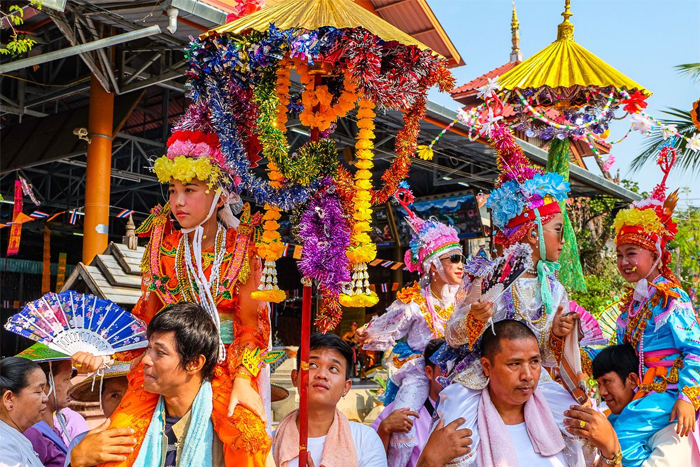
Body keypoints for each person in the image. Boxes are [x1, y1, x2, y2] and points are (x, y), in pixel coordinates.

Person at [72, 108, 273, 467]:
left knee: (248, 437)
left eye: (190, 190)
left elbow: (251, 327)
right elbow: (143, 319)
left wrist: (244, 379)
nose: (177, 201)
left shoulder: (242, 249)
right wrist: (105, 356)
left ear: (221, 195)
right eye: (173, 189)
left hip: (225, 365)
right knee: (117, 441)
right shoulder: (162, 246)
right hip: (164, 365)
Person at [432, 124, 583, 465]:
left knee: (579, 424)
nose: (563, 241)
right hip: (485, 377)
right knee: (456, 437)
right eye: (558, 230)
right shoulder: (489, 276)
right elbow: (453, 336)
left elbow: (544, 355)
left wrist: (558, 336)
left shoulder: (554, 287)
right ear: (532, 234)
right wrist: (474, 319)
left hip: (531, 380)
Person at [355, 185, 465, 467]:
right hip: (421, 372)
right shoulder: (413, 302)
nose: (460, 264)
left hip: (461, 369)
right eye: (453, 258)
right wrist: (367, 333)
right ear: (431, 266)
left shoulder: (465, 298)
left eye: (461, 257)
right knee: (405, 423)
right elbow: (387, 327)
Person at [421, 320, 621, 467]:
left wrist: (610, 451)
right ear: (487, 367)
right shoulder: (462, 429)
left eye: (534, 362)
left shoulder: (562, 418)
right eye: (514, 364)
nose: (527, 375)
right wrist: (431, 460)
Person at [610, 145, 700, 467]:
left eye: (632, 253)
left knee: (615, 437)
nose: (624, 262)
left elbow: (695, 349)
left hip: (666, 393)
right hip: (641, 394)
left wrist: (688, 398)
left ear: (655, 255)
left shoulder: (672, 298)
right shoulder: (632, 304)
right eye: (620, 255)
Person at [68, 302, 225, 467]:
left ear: (194, 363)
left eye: (160, 352)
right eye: (148, 349)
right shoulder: (128, 427)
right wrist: (77, 461)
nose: (146, 360)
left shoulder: (224, 433)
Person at [272, 332, 387, 467]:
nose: (322, 375)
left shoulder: (365, 440)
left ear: (346, 387)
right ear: (295, 378)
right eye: (313, 365)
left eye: (333, 368)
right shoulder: (268, 442)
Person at [592, 344, 699, 466]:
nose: (602, 392)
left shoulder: (675, 430)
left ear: (632, 380)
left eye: (606, 381)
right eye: (599, 384)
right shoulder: (612, 422)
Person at [371, 338, 445, 467]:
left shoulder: (472, 408)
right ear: (429, 372)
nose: (454, 374)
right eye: (445, 368)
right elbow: (369, 457)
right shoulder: (401, 410)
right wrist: (384, 428)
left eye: (458, 366)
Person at [19, 343, 88, 467]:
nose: (71, 386)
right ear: (42, 385)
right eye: (66, 379)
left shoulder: (53, 429)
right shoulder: (33, 435)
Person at [0, 356, 49, 467]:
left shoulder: (14, 437)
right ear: (8, 399)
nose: (45, 398)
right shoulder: (3, 445)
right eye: (38, 391)